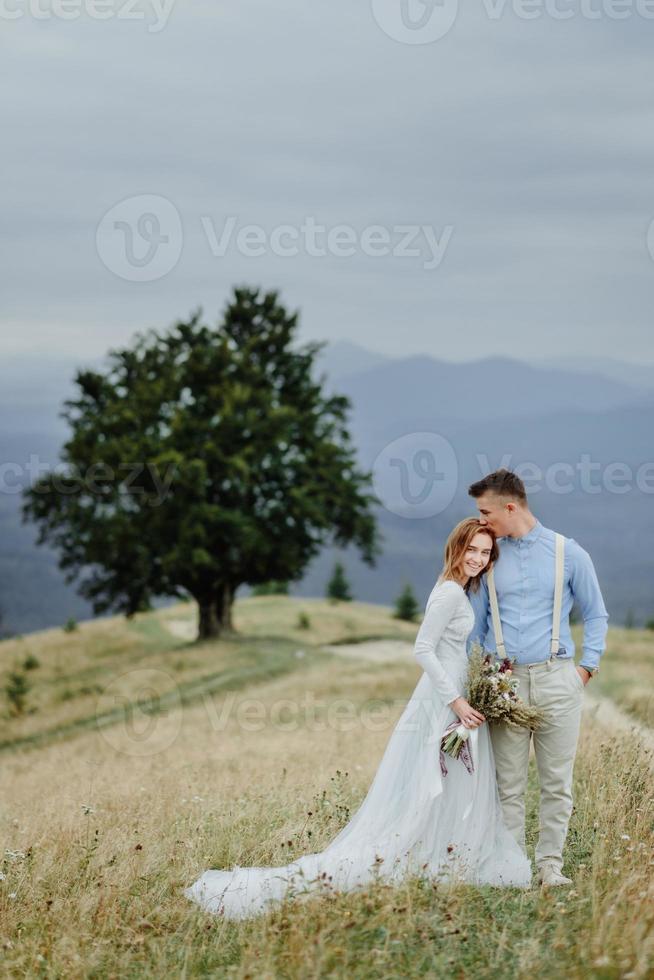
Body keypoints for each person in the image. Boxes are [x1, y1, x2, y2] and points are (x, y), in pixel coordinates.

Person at [184, 517, 532, 919]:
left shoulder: (458, 589)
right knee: (442, 776)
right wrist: (456, 701)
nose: (478, 558)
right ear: (457, 548)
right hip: (444, 699)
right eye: (472, 549)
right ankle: (433, 854)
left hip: (453, 692)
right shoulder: (450, 593)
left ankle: (446, 851)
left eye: (485, 552)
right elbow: (422, 648)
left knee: (453, 779)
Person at [467, 469, 609, 888]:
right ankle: (512, 870)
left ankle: (550, 867)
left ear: (510, 507)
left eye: (485, 511)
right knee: (507, 785)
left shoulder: (570, 553)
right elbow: (476, 628)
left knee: (556, 783)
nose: (481, 520)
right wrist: (472, 683)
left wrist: (587, 668)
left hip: (557, 679)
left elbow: (596, 613)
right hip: (503, 684)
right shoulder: (488, 555)